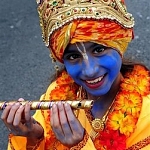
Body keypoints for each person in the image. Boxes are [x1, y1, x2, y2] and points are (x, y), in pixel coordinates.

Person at [1, 0, 150, 149]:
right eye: (73, 57)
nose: (89, 70)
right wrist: (33, 136)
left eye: (98, 50)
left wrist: (80, 146)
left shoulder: (147, 115)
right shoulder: (56, 94)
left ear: (119, 46)